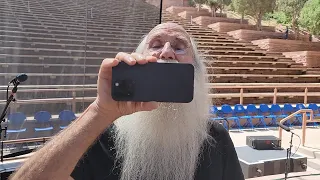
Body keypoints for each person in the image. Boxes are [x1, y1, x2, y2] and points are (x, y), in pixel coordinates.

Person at [10, 22, 244, 180]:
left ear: (196, 71)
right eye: (155, 44)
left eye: (179, 46)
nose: (166, 52)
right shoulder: (100, 133)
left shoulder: (215, 138)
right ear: (138, 59)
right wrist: (99, 112)